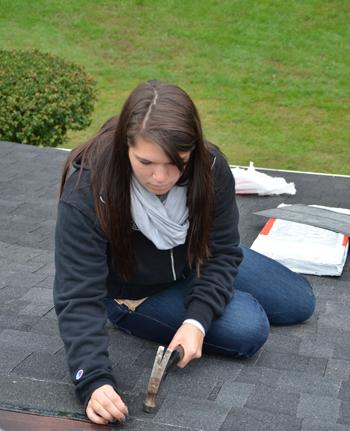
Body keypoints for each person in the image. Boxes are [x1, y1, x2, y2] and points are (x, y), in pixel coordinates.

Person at [54, 80, 315, 425]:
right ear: (124, 147)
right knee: (249, 328)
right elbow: (77, 293)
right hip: (135, 291)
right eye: (145, 162)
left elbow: (221, 249)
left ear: (192, 149)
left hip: (195, 259)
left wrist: (196, 318)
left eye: (176, 162)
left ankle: (208, 294)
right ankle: (153, 311)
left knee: (299, 301)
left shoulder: (209, 167)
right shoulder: (89, 192)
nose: (160, 177)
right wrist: (92, 380)